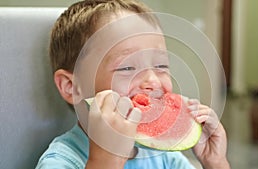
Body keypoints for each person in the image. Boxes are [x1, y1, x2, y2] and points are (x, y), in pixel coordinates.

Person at [35, 0, 230, 169]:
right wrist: (105, 161)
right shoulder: (61, 160)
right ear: (72, 86)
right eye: (127, 68)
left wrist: (215, 162)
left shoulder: (165, 158)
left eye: (161, 65)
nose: (153, 81)